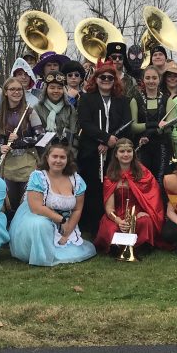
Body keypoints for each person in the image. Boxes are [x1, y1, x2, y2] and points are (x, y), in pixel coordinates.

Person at [8, 144, 95, 266]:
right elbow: (36, 208)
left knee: (71, 249)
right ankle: (40, 254)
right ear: (47, 158)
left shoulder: (76, 180)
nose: (58, 161)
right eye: (54, 156)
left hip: (66, 223)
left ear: (68, 159)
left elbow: (77, 209)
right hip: (38, 216)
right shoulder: (38, 177)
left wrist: (67, 233)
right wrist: (61, 219)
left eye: (62, 157)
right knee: (40, 224)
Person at [77, 61, 133, 233]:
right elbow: (85, 123)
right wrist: (103, 138)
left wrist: (110, 143)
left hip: (113, 152)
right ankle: (93, 226)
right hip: (91, 151)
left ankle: (113, 223)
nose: (106, 80)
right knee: (93, 188)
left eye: (110, 77)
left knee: (111, 188)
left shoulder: (122, 100)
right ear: (96, 79)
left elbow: (126, 124)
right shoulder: (87, 98)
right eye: (102, 77)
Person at [94, 138, 166, 256]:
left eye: (129, 151)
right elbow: (109, 208)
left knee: (146, 221)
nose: (126, 154)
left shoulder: (144, 174)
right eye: (122, 151)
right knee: (110, 227)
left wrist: (143, 212)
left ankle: (138, 246)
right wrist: (119, 221)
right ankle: (118, 246)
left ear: (133, 153)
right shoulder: (110, 177)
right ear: (116, 154)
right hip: (116, 215)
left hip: (137, 215)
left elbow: (152, 198)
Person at [0, 76, 44, 215]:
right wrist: (0, 146)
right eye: (12, 89)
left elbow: (40, 136)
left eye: (19, 89)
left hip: (28, 161)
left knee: (26, 202)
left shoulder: (30, 111)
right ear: (5, 92)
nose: (16, 92)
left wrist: (21, 140)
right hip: (9, 163)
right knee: (10, 203)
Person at [133, 66, 172, 184]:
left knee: (160, 181)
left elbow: (169, 128)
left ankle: (160, 203)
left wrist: (151, 130)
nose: (151, 81)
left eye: (154, 78)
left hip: (162, 147)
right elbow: (133, 127)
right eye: (148, 78)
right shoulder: (135, 100)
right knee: (143, 181)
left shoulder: (168, 101)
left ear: (159, 79)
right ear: (143, 80)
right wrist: (155, 125)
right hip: (142, 146)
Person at [35, 72, 78, 153]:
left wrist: (70, 156)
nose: (56, 91)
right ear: (46, 89)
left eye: (59, 88)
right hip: (44, 153)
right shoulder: (37, 108)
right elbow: (36, 136)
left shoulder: (69, 108)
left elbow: (74, 134)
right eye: (52, 88)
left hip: (65, 154)